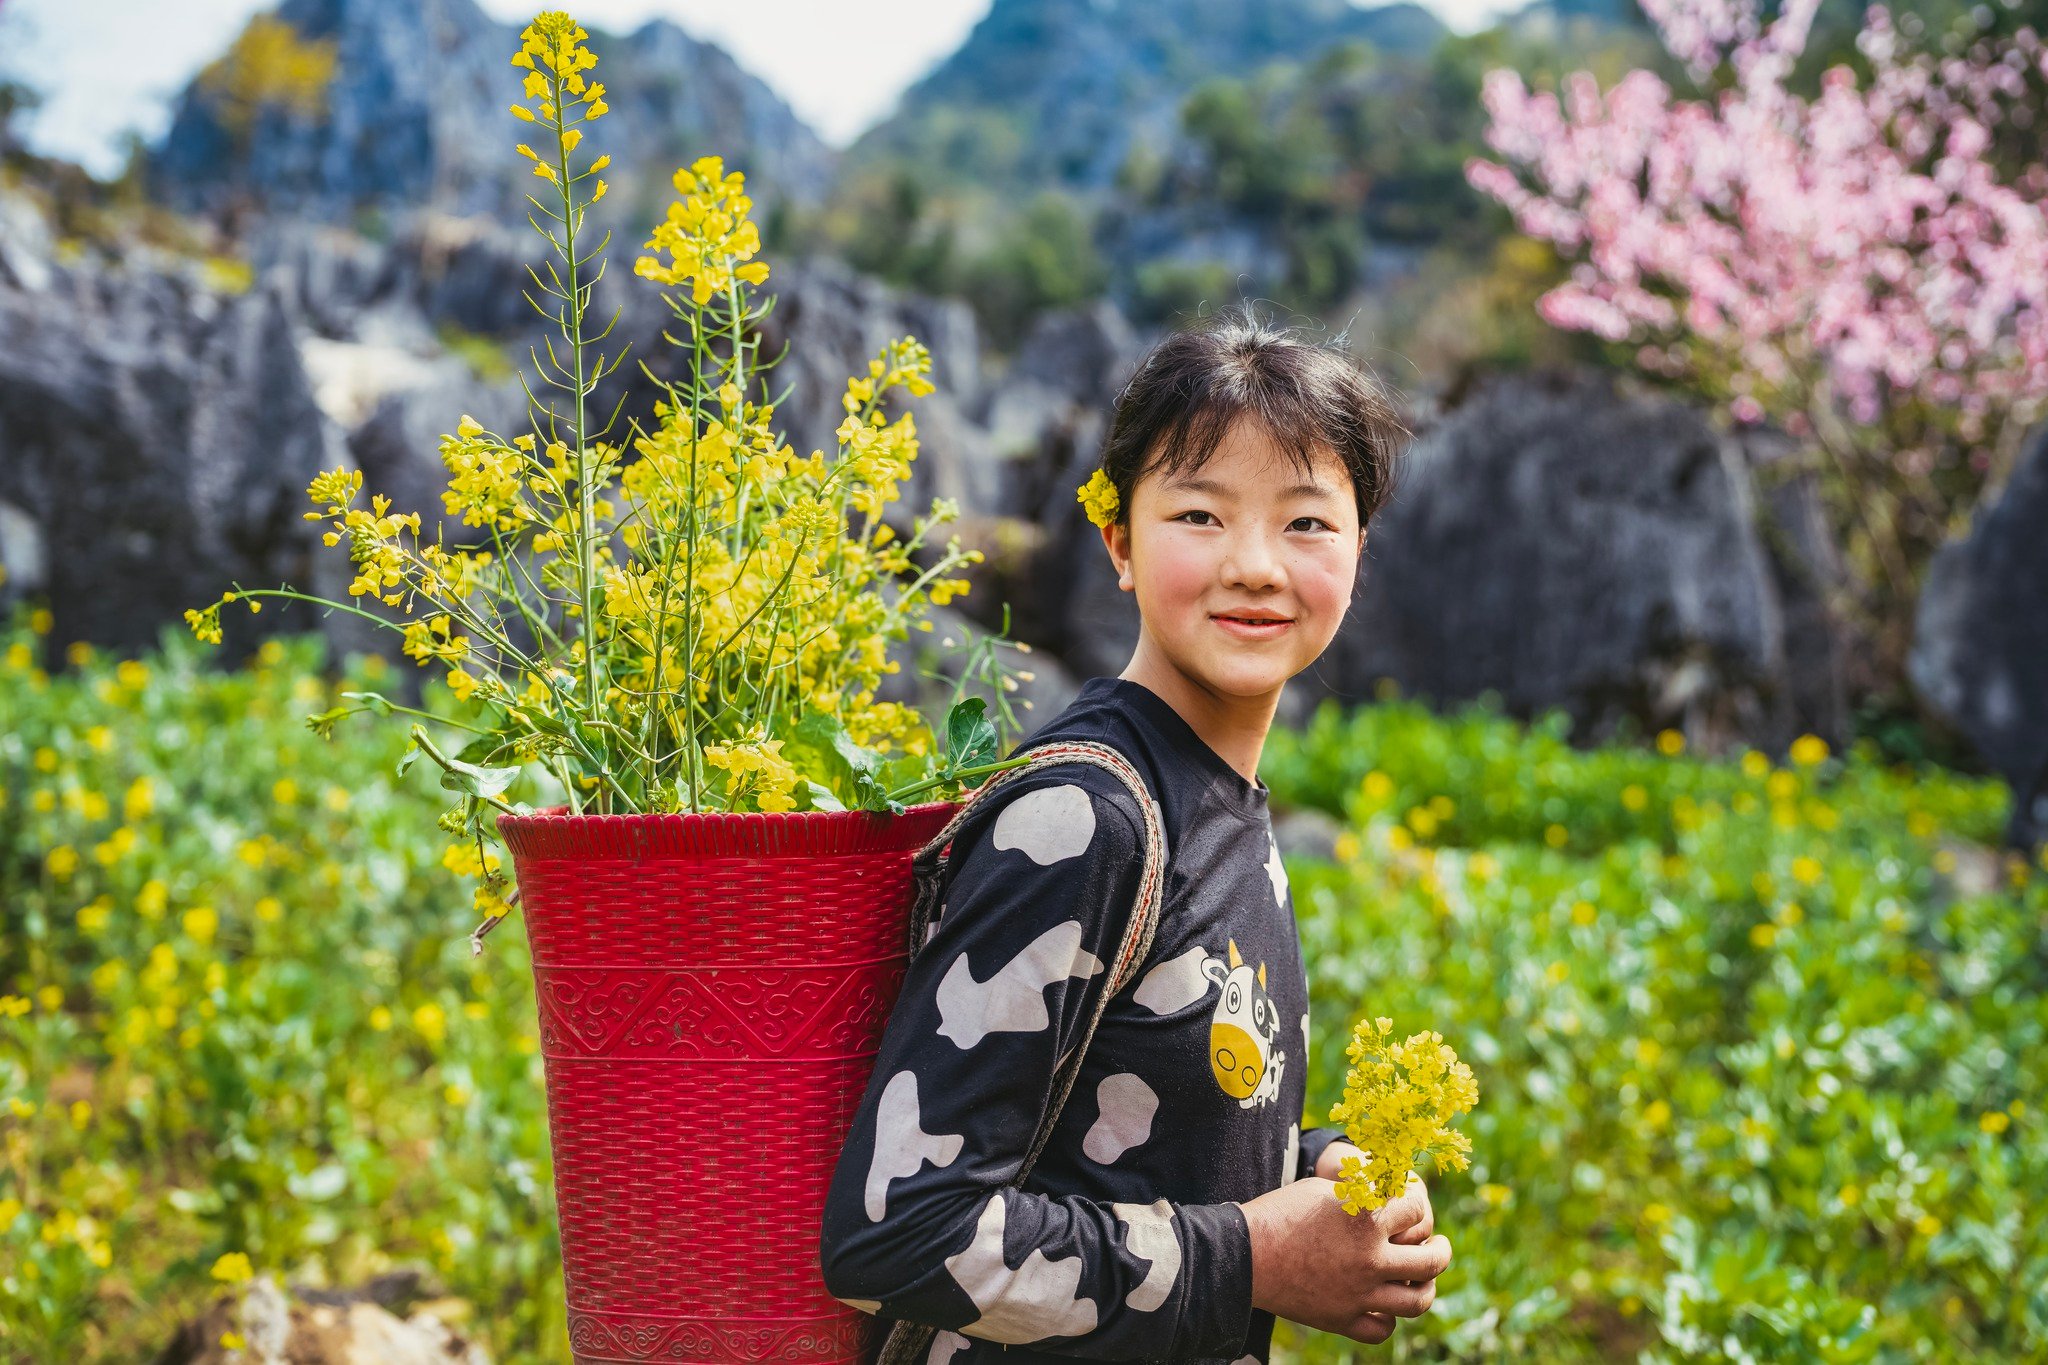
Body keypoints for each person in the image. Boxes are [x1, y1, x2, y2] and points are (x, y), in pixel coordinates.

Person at [819, 303, 1451, 1361]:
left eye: (1305, 522)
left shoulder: (1221, 811)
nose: (1253, 564)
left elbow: (1134, 1139)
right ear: (1117, 543)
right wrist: (1248, 1258)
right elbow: (898, 1233)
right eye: (1198, 516)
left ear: (1357, 552)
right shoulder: (1085, 821)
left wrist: (1316, 1175)